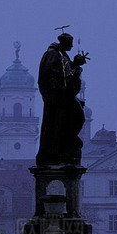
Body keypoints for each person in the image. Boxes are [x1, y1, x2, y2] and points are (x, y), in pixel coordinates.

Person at [35, 32, 88, 167]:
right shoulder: (52, 54)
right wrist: (57, 94)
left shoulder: (62, 55)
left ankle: (66, 148)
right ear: (64, 42)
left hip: (65, 97)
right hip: (57, 99)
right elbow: (55, 77)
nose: (72, 46)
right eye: (70, 43)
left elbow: (67, 74)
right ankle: (59, 152)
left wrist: (76, 64)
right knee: (63, 123)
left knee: (77, 119)